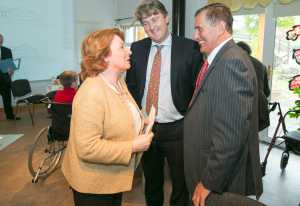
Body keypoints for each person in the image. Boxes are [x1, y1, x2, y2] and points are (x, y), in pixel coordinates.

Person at [61, 28, 154, 206]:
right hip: (93, 186)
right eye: (122, 47)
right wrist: (133, 146)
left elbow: (122, 110)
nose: (129, 51)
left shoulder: (118, 81)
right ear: (104, 56)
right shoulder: (91, 92)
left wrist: (141, 121)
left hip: (111, 179)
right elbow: (88, 148)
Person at [184, 3, 263, 206]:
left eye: (199, 28)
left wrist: (209, 182)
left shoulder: (231, 62)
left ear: (220, 27)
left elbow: (231, 135)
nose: (195, 36)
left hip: (217, 179)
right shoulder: (220, 58)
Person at [126, 1, 203, 206]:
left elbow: (199, 89)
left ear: (166, 18)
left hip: (178, 128)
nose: (151, 26)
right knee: (151, 181)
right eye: (145, 22)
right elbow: (131, 86)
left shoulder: (190, 48)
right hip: (147, 129)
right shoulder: (137, 48)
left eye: (155, 19)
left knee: (181, 183)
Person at [237, 41, 271, 131]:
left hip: (242, 106)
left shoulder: (236, 62)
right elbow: (267, 92)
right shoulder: (261, 66)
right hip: (260, 108)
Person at [0, 33, 19, 120]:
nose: (1, 41)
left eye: (1, 39)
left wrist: (11, 71)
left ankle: (10, 116)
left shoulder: (7, 50)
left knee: (7, 99)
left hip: (5, 79)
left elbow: (10, 65)